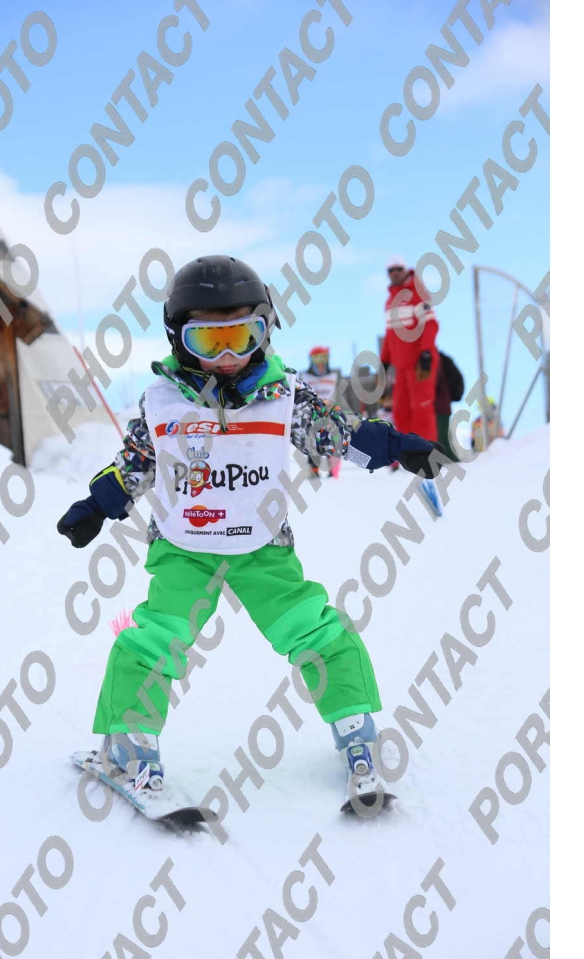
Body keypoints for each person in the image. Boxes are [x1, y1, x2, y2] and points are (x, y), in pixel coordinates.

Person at [57, 255, 442, 811]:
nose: (227, 356)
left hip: (262, 550)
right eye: (209, 341)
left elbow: (336, 436)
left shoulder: (284, 396)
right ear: (179, 339)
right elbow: (137, 461)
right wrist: (98, 504)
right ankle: (128, 743)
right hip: (183, 550)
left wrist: (396, 447)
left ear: (265, 332)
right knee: (154, 641)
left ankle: (356, 732)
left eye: (241, 337)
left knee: (317, 631)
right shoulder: (161, 402)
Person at [380, 254, 439, 442]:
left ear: (405, 270)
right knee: (401, 411)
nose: (395, 273)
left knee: (422, 409)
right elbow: (390, 334)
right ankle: (408, 453)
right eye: (391, 270)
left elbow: (430, 324)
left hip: (419, 362)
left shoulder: (417, 293)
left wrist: (426, 352)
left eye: (399, 269)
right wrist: (384, 361)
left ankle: (428, 451)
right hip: (401, 365)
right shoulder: (390, 302)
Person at [302, 346, 342, 479]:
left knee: (332, 440)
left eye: (323, 358)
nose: (320, 363)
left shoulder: (332, 376)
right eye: (317, 358)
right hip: (313, 415)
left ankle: (333, 470)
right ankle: (314, 470)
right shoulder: (305, 377)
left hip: (330, 414)